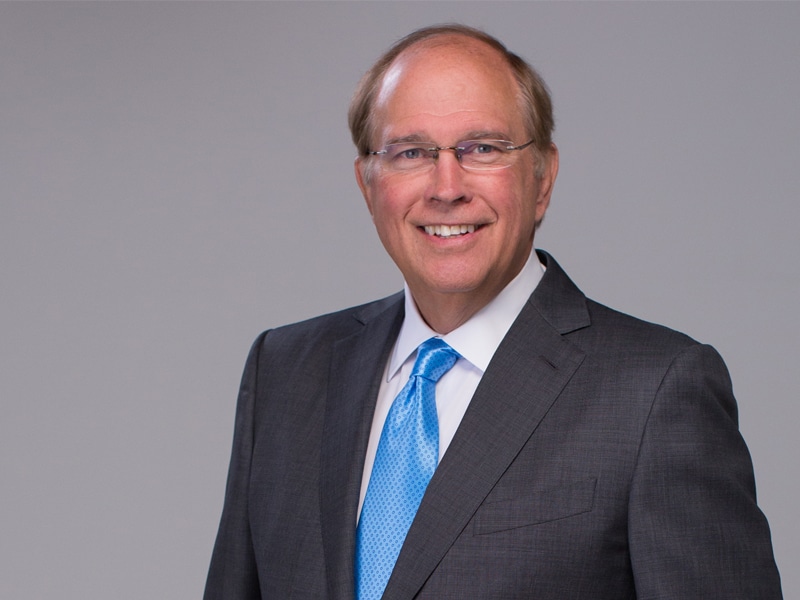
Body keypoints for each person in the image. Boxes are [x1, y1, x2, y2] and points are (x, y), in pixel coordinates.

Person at [204, 24, 782, 599]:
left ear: (542, 177)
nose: (447, 186)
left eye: (482, 148)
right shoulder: (283, 372)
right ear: (368, 184)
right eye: (411, 152)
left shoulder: (655, 392)